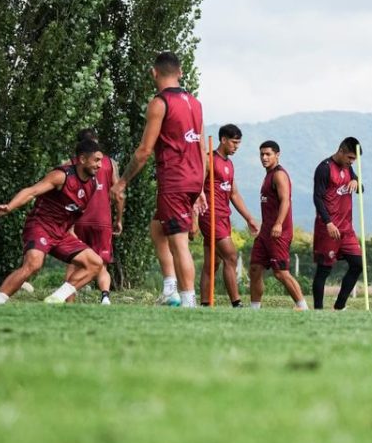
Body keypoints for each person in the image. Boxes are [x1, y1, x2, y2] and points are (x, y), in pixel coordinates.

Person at [112, 51, 205, 309]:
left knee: (179, 242)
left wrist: (122, 182)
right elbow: (200, 147)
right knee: (157, 227)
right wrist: (200, 187)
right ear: (181, 72)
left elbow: (144, 151)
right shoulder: (195, 103)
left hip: (175, 180)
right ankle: (169, 289)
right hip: (193, 178)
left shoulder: (160, 103)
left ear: (154, 73)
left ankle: (188, 302)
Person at [0, 138, 106, 304]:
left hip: (61, 233)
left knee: (95, 263)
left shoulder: (92, 184)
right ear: (82, 159)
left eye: (101, 161)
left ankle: (55, 299)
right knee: (33, 264)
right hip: (40, 226)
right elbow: (31, 191)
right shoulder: (61, 176)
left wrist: (71, 232)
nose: (100, 165)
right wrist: (9, 207)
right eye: (96, 160)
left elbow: (74, 211)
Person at [199, 124, 260, 307]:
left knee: (213, 263)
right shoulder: (208, 160)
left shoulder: (229, 164)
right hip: (210, 216)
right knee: (231, 257)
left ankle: (204, 304)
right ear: (223, 140)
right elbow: (196, 188)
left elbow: (234, 194)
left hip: (224, 216)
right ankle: (236, 303)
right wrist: (193, 219)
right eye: (234, 142)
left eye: (238, 143)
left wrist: (249, 218)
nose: (236, 146)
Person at [68, 126, 123, 305]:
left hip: (78, 220)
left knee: (74, 262)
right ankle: (105, 296)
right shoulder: (109, 163)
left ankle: (69, 300)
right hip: (102, 220)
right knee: (101, 264)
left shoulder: (72, 163)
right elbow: (119, 194)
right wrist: (118, 219)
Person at [249, 141, 307, 310]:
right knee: (255, 268)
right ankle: (254, 310)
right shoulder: (268, 175)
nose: (264, 157)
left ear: (277, 155)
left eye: (268, 154)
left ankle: (303, 307)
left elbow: (285, 201)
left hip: (278, 232)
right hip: (265, 232)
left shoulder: (279, 175)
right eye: (262, 154)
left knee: (280, 272)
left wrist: (279, 224)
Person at [311, 137, 364, 310]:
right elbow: (317, 198)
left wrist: (356, 181)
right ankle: (318, 311)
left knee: (357, 265)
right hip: (329, 228)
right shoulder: (324, 168)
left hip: (347, 229)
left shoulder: (349, 168)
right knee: (324, 270)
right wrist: (328, 222)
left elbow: (361, 189)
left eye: (354, 159)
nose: (352, 161)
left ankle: (339, 306)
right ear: (341, 151)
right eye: (350, 157)